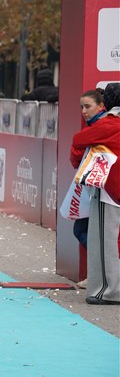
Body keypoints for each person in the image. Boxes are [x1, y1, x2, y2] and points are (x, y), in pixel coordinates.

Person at [70, 83, 120, 305]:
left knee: (105, 242)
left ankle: (107, 291)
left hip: (110, 190)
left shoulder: (110, 124)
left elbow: (79, 140)